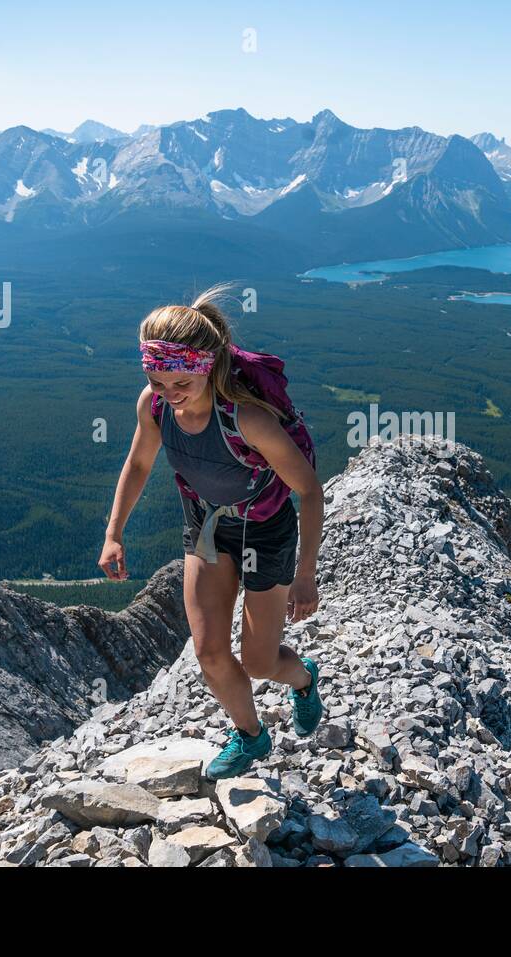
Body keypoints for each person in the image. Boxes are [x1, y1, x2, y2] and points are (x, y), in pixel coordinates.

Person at [100, 283, 324, 779]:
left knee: (262, 661)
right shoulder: (154, 406)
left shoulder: (247, 419)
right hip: (205, 528)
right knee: (208, 652)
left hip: (265, 534)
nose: (169, 394)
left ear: (205, 366)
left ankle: (305, 680)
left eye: (180, 383)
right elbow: (138, 464)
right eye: (157, 381)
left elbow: (308, 491)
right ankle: (250, 736)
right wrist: (114, 532)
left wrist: (306, 574)